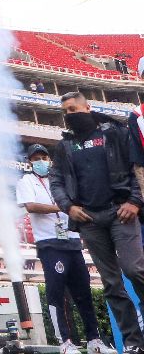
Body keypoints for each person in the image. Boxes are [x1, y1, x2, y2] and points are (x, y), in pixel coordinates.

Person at [51, 92, 144, 354]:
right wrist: (68, 207)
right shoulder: (65, 145)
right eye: (65, 112)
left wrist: (135, 201)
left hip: (121, 211)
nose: (70, 115)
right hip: (89, 219)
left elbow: (137, 167)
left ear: (87, 107)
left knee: (134, 269)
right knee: (111, 283)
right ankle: (134, 343)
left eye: (73, 109)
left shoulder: (116, 133)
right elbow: (56, 181)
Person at [17, 144, 114, 354]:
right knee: (57, 293)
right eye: (36, 158)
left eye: (44, 156)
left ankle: (94, 340)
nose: (40, 161)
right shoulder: (27, 181)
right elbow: (31, 206)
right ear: (29, 162)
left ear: (50, 159)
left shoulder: (60, 182)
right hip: (49, 243)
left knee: (84, 293)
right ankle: (65, 342)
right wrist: (63, 207)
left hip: (72, 241)